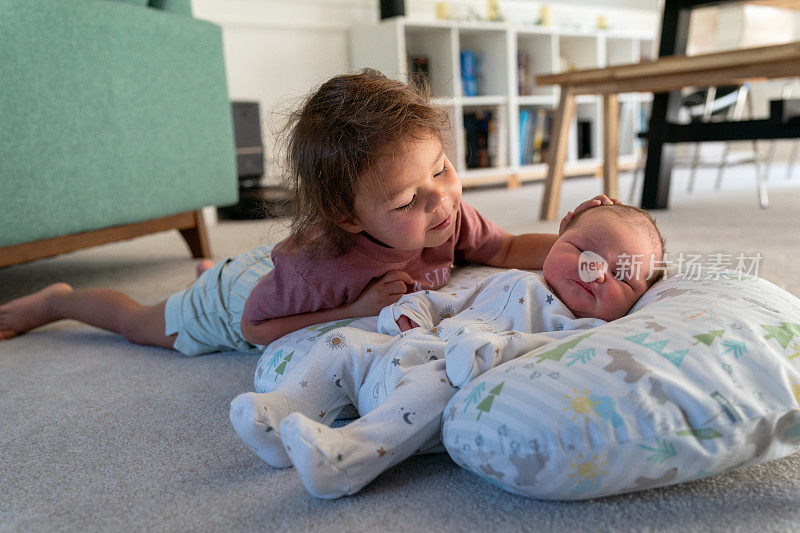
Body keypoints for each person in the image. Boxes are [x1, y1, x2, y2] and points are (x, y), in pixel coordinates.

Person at [0, 68, 606, 355]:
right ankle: (58, 298)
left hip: (269, 267)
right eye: (405, 201)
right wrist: (355, 310)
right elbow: (255, 329)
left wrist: (577, 247)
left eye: (442, 168)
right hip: (241, 300)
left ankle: (213, 264)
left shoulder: (445, 214)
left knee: (246, 268)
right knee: (141, 323)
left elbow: (502, 249)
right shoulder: (321, 270)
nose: (441, 199)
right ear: (348, 216)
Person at [229, 203, 666, 499]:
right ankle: (284, 409)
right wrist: (411, 311)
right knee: (344, 344)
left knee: (433, 382)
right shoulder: (514, 279)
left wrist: (497, 348)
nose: (595, 272)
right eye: (581, 250)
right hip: (409, 349)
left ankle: (350, 453)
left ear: (640, 296)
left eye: (622, 276)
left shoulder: (586, 327)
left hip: (445, 382)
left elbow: (545, 352)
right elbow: (450, 303)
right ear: (558, 239)